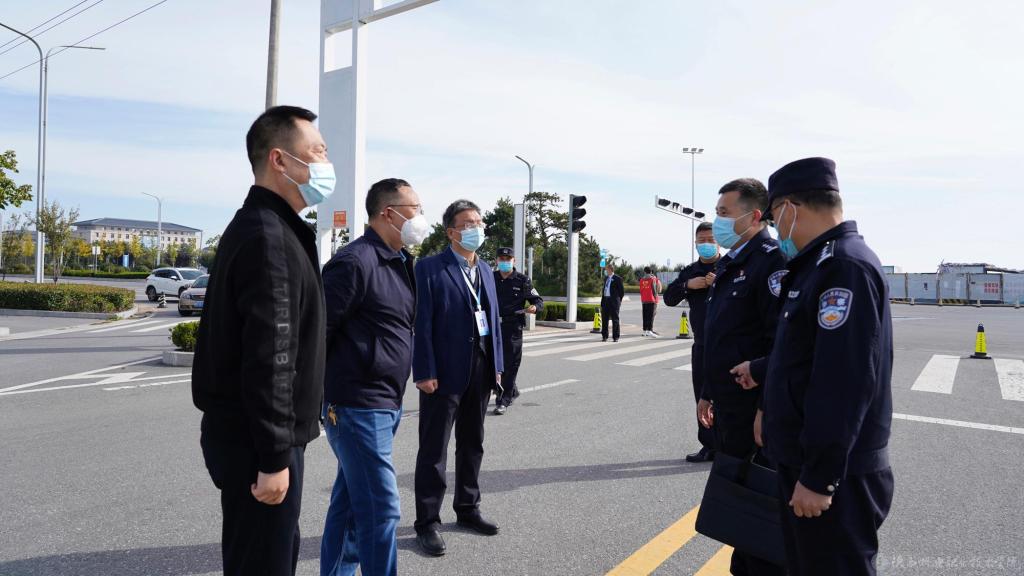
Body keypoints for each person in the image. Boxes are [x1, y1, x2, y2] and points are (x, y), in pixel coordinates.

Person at [192, 105, 331, 576]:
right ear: (279, 160)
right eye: (318, 152)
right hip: (259, 445)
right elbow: (272, 354)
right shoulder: (269, 237)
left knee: (268, 555)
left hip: (256, 438)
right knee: (263, 562)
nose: (325, 163)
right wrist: (273, 457)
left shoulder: (270, 227)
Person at [761, 158, 894, 575]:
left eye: (773, 218)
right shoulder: (817, 264)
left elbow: (844, 381)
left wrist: (820, 477)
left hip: (837, 476)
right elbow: (803, 358)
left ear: (789, 208)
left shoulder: (842, 267)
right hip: (807, 461)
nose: (775, 229)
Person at [319, 178, 428, 576]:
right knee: (382, 508)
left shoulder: (400, 261)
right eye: (415, 209)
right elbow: (318, 333)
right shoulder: (355, 261)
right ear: (388, 213)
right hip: (356, 404)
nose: (420, 217)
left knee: (351, 505)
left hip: (385, 402)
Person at [701, 178, 788, 575]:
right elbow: (720, 336)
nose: (717, 221)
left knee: (759, 504)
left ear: (754, 216)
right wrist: (708, 392)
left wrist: (766, 408)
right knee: (738, 502)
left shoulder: (771, 261)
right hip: (729, 405)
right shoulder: (732, 261)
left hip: (754, 409)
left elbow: (779, 343)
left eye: (724, 213)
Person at [412, 200, 505, 557]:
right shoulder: (429, 268)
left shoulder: (486, 270)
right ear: (451, 231)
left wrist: (497, 366)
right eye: (467, 224)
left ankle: (467, 508)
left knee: (472, 442)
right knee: (433, 448)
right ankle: (427, 521)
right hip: (443, 373)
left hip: (480, 370)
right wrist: (424, 371)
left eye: (478, 222)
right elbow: (421, 323)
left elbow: (492, 320)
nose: (476, 228)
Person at [663, 222, 719, 463]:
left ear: (718, 241)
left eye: (710, 240)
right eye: (701, 240)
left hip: (728, 344)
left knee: (728, 397)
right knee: (701, 396)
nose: (706, 244)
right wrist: (688, 285)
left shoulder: (731, 267)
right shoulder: (690, 271)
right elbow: (668, 298)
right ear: (695, 244)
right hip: (702, 344)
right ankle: (709, 445)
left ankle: (731, 447)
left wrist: (718, 282)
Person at [493, 246, 544, 415]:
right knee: (492, 363)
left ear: (514, 261)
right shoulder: (490, 278)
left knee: (510, 364)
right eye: (501, 259)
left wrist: (534, 308)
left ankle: (503, 400)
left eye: (508, 259)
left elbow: (538, 301)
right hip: (493, 327)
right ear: (496, 261)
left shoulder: (522, 280)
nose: (505, 262)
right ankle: (512, 390)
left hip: (512, 327)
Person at [600, 263, 625, 342]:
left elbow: (621, 291)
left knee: (615, 319)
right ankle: (604, 336)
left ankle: (615, 336)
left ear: (610, 269)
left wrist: (618, 301)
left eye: (606, 269)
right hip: (606, 300)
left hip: (614, 301)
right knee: (604, 319)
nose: (605, 270)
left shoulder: (617, 278)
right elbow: (604, 289)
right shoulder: (606, 278)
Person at [638, 266, 663, 337]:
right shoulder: (652, 279)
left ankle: (644, 330)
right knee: (651, 315)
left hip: (644, 299)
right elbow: (654, 289)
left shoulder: (641, 280)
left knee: (645, 315)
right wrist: (655, 298)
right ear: (651, 272)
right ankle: (649, 330)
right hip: (651, 299)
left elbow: (640, 290)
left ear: (644, 272)